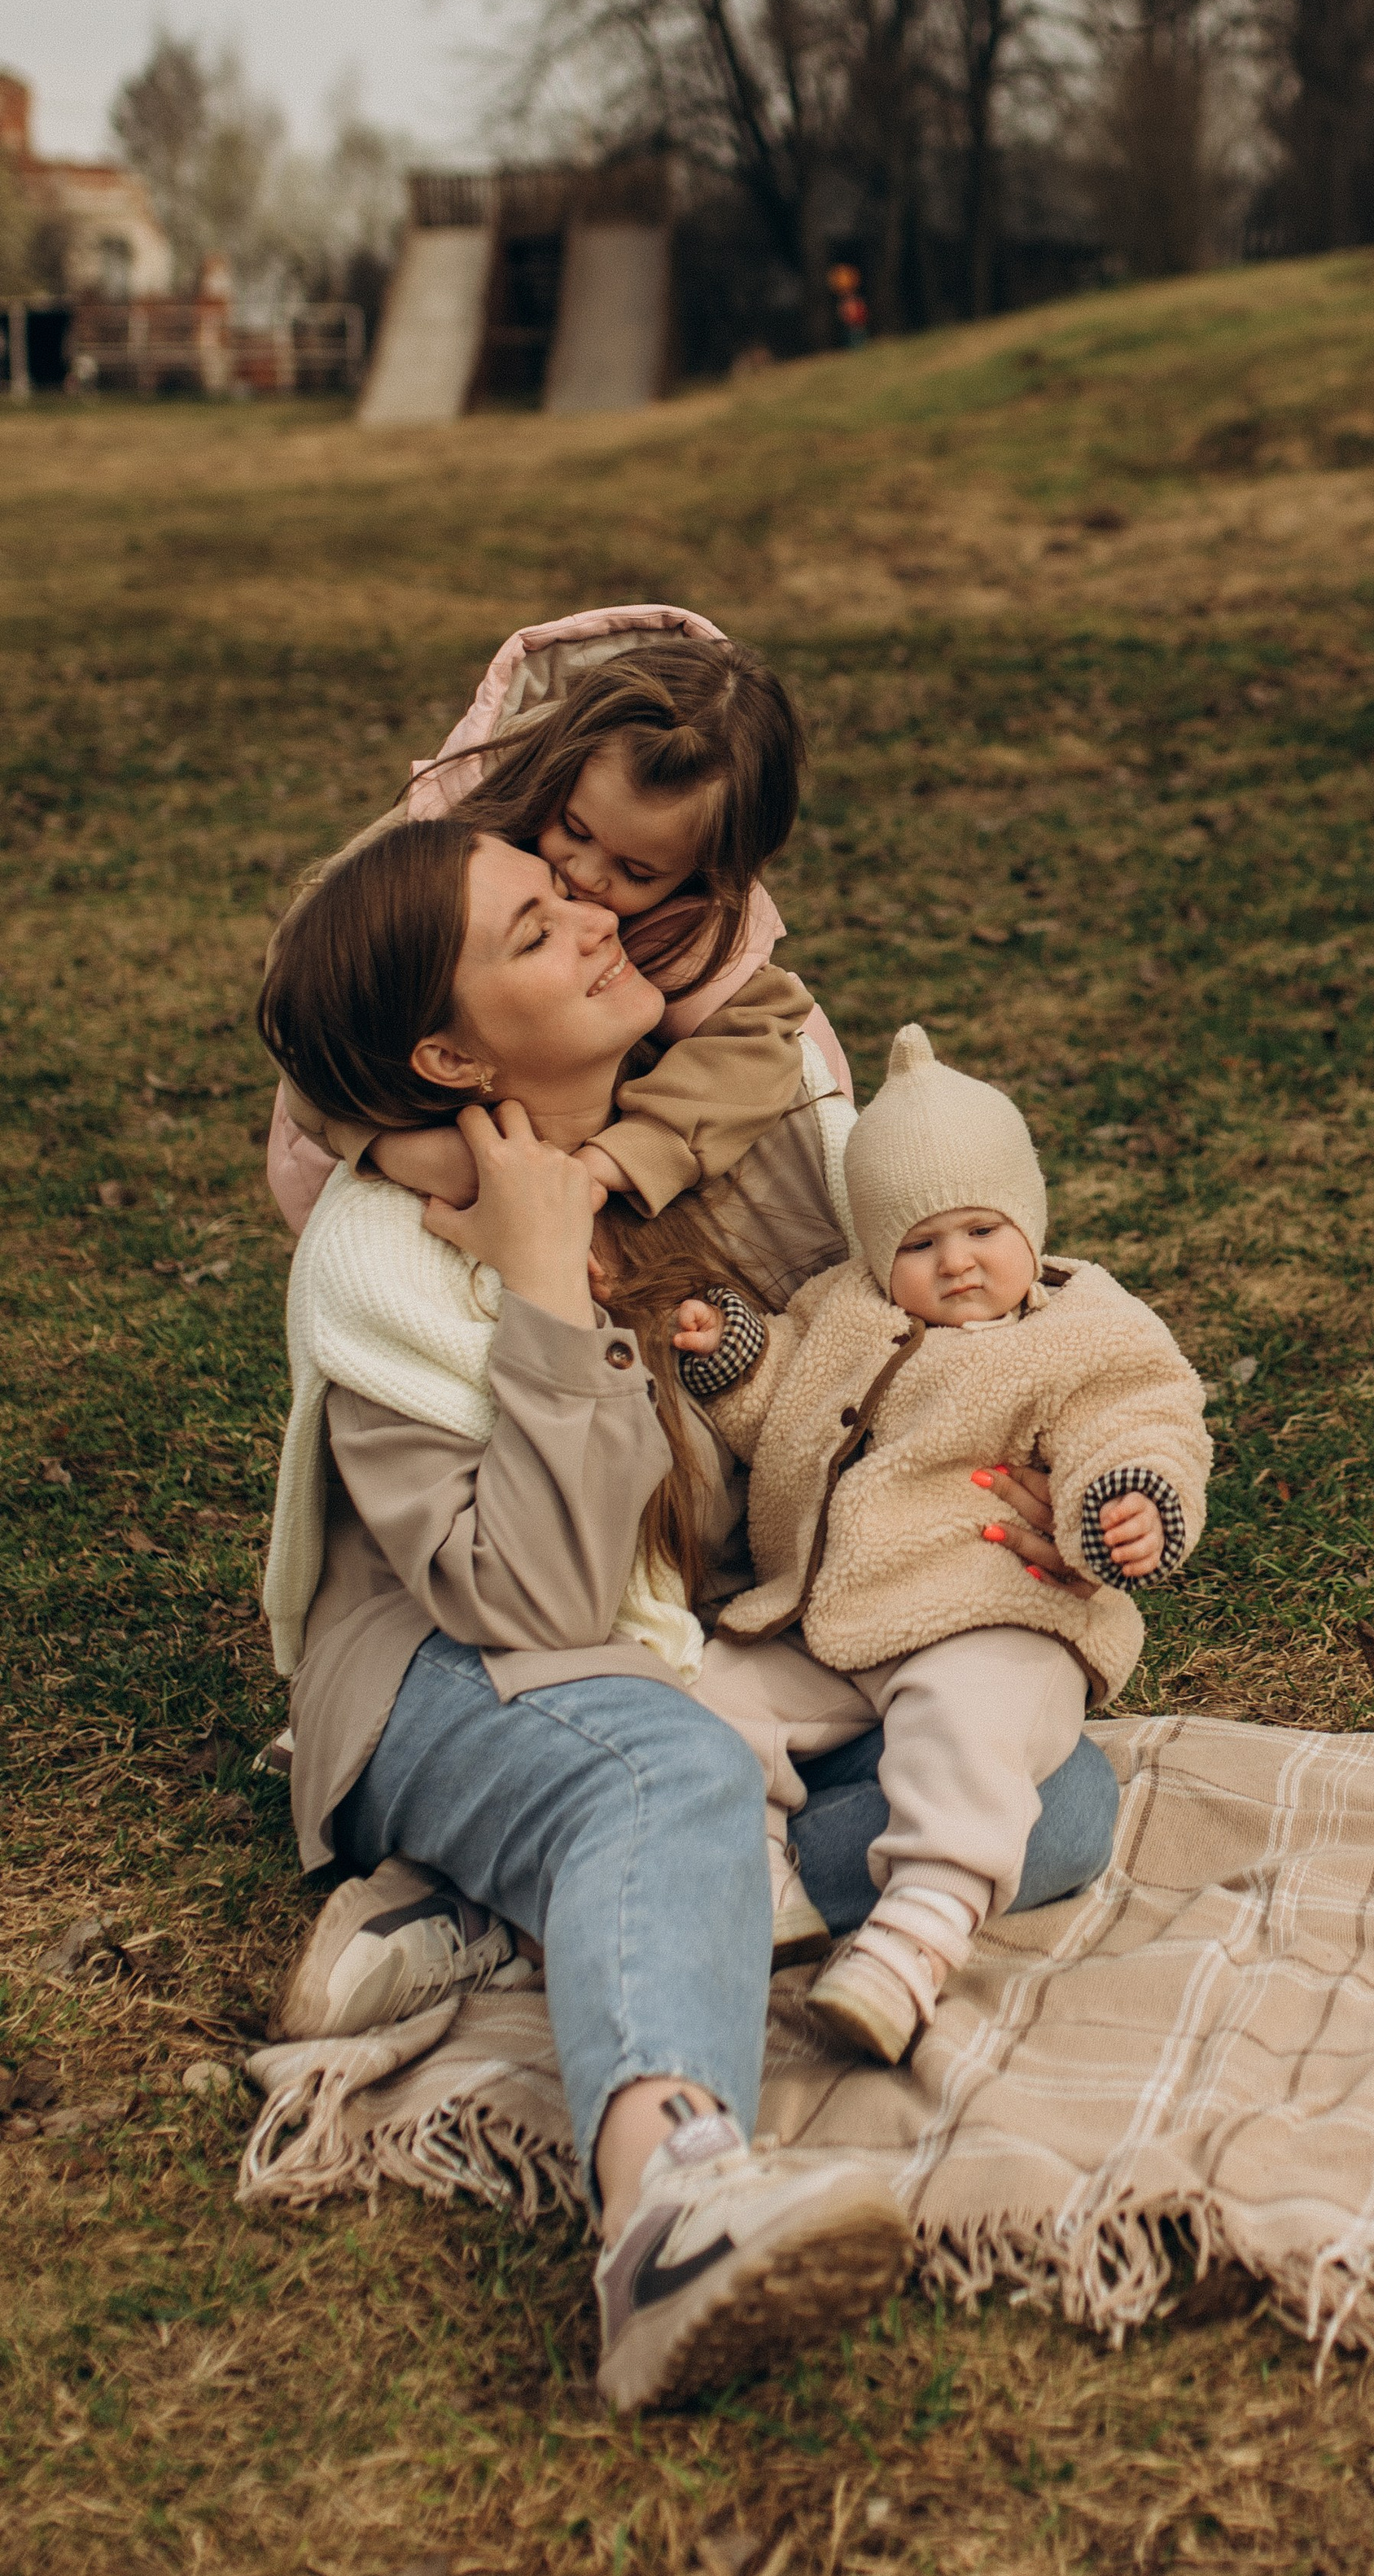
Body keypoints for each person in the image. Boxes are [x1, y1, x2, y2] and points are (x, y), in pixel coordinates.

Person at [253, 820, 1118, 2410]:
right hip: (460, 1674)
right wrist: (542, 1294)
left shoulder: (691, 1146)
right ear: (449, 1049)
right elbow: (544, 1596)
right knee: (669, 1776)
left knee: (1047, 1800)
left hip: (691, 1653)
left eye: (567, 890)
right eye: (534, 927)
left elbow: (844, 1379)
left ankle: (501, 1911)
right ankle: (668, 2203)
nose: (594, 919)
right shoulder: (382, 1258)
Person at [675, 1025, 1212, 2065]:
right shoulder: (841, 1311)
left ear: (1029, 1218)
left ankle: (918, 1929)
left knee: (970, 1735)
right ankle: (760, 1877)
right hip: (829, 1611)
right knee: (711, 1699)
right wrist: (735, 1357)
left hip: (990, 1603)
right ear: (878, 1254)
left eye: (980, 1230)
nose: (956, 1262)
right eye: (919, 1245)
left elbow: (1141, 1417)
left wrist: (1128, 1498)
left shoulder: (1081, 1328)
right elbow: (782, 1407)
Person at [265, 609, 852, 1293]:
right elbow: (311, 1002)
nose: (587, 878)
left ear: (706, 871)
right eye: (574, 828)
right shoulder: (462, 823)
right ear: (558, 767)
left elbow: (758, 1044)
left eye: (636, 874)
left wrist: (613, 1161)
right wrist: (389, 1145)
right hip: (414, 1110)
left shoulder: (703, 926)